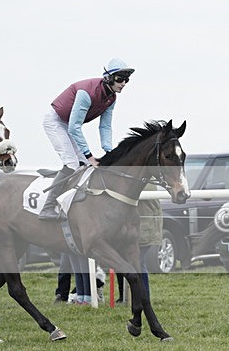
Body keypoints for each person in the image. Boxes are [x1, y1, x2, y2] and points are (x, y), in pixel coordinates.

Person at [39, 58, 135, 220]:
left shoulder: (111, 98)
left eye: (126, 79)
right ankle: (47, 207)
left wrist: (110, 152)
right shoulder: (86, 93)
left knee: (82, 165)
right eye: (120, 78)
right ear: (108, 78)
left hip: (69, 124)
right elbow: (74, 128)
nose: (124, 83)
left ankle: (70, 203)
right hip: (55, 121)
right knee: (72, 163)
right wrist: (90, 156)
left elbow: (105, 127)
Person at [116, 185, 163, 303]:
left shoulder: (146, 182)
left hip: (147, 228)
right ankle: (138, 297)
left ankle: (143, 297)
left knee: (138, 264)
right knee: (138, 264)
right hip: (139, 229)